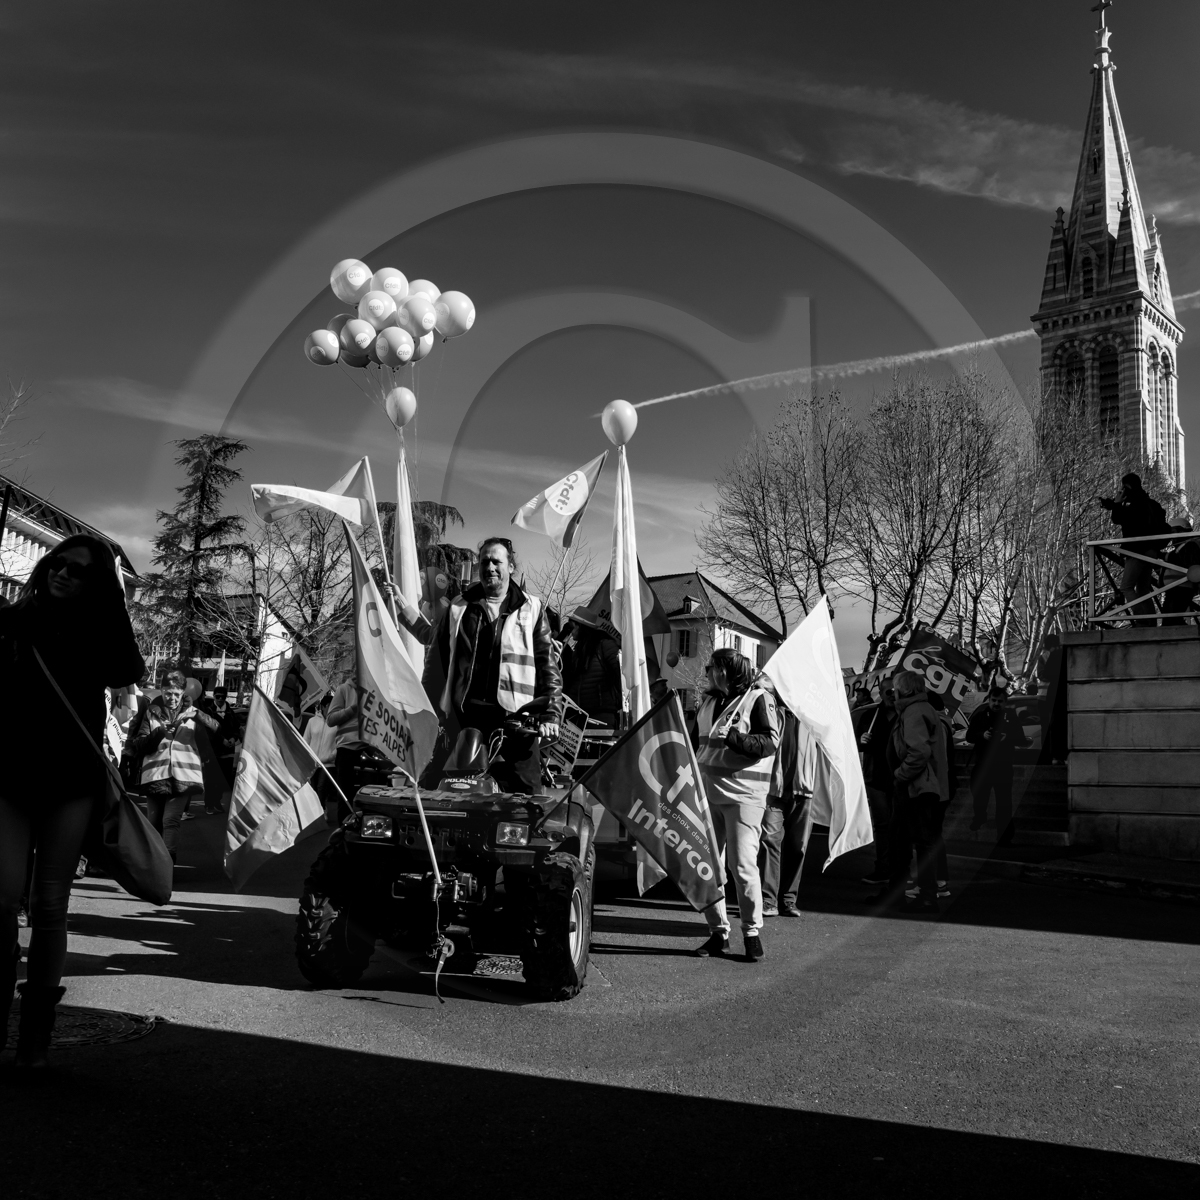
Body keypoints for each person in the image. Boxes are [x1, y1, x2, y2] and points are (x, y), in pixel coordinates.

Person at [0, 534, 145, 1068]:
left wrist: (110, 604)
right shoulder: (12, 619)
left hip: (70, 782)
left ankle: (35, 1035)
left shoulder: (99, 631)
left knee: (48, 907)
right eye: (58, 562)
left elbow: (128, 669)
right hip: (10, 777)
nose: (63, 573)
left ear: (98, 584)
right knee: (1, 899)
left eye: (80, 570)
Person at [418, 538, 562, 794]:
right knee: (433, 789)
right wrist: (428, 711)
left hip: (516, 723)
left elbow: (547, 667)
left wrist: (550, 713)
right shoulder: (458, 607)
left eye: (497, 561)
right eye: (484, 561)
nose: (490, 567)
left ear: (511, 567)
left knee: (529, 799)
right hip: (463, 720)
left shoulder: (533, 608)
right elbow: (436, 666)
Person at [690, 648, 780, 961]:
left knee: (742, 867)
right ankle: (718, 933)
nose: (707, 671)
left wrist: (737, 740)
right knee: (708, 867)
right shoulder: (708, 702)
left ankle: (752, 932)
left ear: (728, 670)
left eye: (712, 666)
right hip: (707, 794)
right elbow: (694, 744)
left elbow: (770, 742)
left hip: (743, 797)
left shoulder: (758, 698)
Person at [870, 669, 949, 913]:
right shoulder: (917, 710)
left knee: (907, 842)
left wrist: (899, 776)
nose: (892, 692)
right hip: (918, 787)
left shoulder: (914, 712)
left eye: (895, 687)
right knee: (906, 842)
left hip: (915, 789)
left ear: (906, 690)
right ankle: (915, 894)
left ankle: (919, 895)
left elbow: (919, 753)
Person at [129, 671, 219, 863]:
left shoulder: (194, 712)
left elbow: (218, 730)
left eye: (176, 694)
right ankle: (153, 863)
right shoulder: (151, 712)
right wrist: (160, 733)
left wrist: (199, 716)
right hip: (155, 776)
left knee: (170, 821)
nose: (172, 698)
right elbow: (139, 744)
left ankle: (167, 863)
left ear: (183, 693)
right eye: (168, 693)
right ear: (162, 691)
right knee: (153, 823)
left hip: (183, 777)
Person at [758, 705, 816, 919]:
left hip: (805, 790)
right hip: (774, 790)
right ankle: (768, 900)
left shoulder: (814, 715)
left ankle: (788, 900)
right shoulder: (770, 710)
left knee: (798, 847)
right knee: (769, 841)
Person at [1099, 473, 1169, 617]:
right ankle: (1150, 620)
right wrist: (1114, 504)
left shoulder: (1134, 503)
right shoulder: (1150, 503)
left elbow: (1118, 518)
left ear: (1127, 486)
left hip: (1137, 550)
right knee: (1143, 590)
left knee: (1126, 587)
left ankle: (1141, 617)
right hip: (1151, 550)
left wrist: (1117, 504)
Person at [965, 684, 1028, 843]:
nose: (996, 704)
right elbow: (969, 736)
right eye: (994, 700)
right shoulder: (980, 716)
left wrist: (1007, 737)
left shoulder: (1011, 717)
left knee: (1004, 803)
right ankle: (980, 816)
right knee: (978, 794)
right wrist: (983, 735)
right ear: (989, 700)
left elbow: (1021, 739)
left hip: (1003, 765)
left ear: (1005, 702)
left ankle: (1005, 837)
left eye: (1000, 701)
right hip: (983, 765)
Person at [859, 678, 897, 886]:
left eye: (896, 691)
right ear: (881, 693)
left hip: (900, 778)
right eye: (889, 691)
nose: (892, 695)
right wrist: (861, 740)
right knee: (882, 826)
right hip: (876, 778)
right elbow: (855, 742)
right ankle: (883, 868)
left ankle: (898, 868)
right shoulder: (870, 716)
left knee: (899, 826)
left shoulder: (905, 714)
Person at [560, 619, 622, 729]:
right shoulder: (579, 650)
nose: (571, 632)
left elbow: (620, 673)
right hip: (579, 715)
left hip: (602, 714)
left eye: (573, 627)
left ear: (581, 627)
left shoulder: (605, 645)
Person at [327, 673, 366, 822]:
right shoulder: (344, 689)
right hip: (347, 748)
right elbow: (330, 719)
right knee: (344, 795)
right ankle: (344, 832)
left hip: (370, 748)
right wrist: (353, 709)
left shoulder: (377, 693)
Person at [303, 692, 339, 821]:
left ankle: (320, 812)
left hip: (327, 763)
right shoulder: (312, 721)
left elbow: (339, 743)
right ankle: (315, 811)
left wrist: (331, 756)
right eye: (330, 705)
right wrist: (306, 756)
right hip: (312, 763)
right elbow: (305, 740)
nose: (332, 707)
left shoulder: (336, 723)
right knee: (312, 789)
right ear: (323, 707)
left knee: (321, 787)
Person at [1161, 517, 1200, 625]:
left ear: (1182, 531)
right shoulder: (1183, 547)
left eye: (1173, 532)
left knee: (1170, 619)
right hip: (1176, 588)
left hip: (1181, 588)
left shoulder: (1190, 546)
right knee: (1171, 618)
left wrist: (1167, 557)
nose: (1172, 537)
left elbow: (1187, 562)